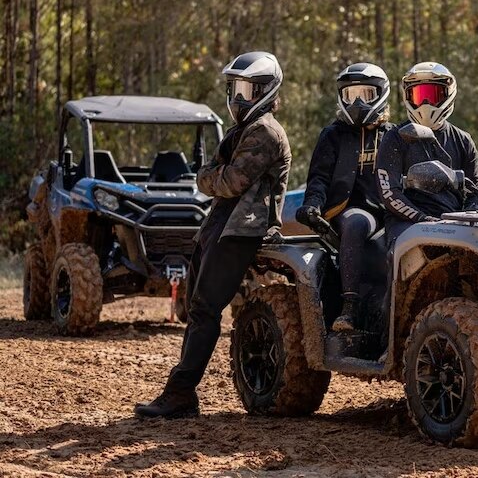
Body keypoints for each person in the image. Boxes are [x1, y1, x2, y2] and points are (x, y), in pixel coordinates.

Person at [135, 51, 291, 418]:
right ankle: (181, 393)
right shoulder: (242, 131)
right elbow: (209, 176)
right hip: (221, 225)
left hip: (243, 230)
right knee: (196, 307)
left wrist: (211, 177)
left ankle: (180, 393)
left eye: (247, 91)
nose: (238, 98)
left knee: (205, 309)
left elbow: (230, 180)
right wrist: (212, 177)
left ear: (266, 91)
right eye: (235, 89)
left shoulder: (265, 132)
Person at [295, 62, 394, 332]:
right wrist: (313, 205)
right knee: (356, 223)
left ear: (382, 94)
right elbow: (319, 178)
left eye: (366, 94)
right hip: (349, 209)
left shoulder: (393, 135)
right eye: (351, 95)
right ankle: (349, 308)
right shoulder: (333, 135)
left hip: (391, 211)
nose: (358, 102)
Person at [376, 61, 478, 246]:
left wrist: (463, 218)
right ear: (407, 97)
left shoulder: (463, 140)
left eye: (432, 95)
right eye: (419, 96)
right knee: (407, 253)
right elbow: (388, 191)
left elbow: (477, 191)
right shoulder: (394, 137)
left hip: (454, 221)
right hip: (407, 221)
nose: (425, 103)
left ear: (448, 94)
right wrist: (422, 218)